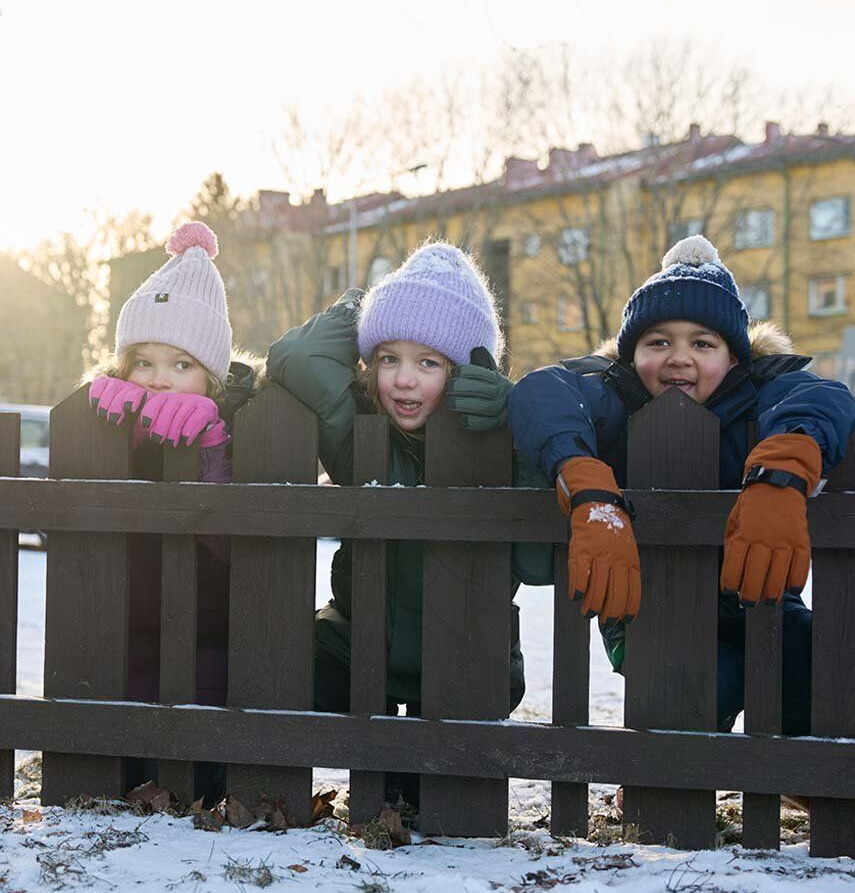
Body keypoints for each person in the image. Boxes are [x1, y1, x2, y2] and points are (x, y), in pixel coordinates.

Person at [508, 234, 855, 736]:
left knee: (812, 653)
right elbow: (541, 392)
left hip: (758, 590)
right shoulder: (614, 394)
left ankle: (801, 774)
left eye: (702, 343)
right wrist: (585, 482)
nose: (679, 357)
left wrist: (781, 473)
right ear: (631, 355)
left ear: (735, 358)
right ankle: (661, 783)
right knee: (705, 678)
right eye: (658, 342)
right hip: (650, 601)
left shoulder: (759, 392)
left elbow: (821, 396)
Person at [267, 240, 550, 808]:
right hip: (357, 641)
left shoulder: (498, 438)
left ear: (463, 368)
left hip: (466, 654)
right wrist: (362, 307)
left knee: (439, 798)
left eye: (428, 363)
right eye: (388, 357)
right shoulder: (360, 431)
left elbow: (538, 562)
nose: (402, 380)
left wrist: (512, 426)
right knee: (298, 678)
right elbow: (295, 357)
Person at [88, 221, 263, 800]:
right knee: (126, 745)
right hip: (124, 626)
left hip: (211, 628)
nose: (159, 380)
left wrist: (213, 451)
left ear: (210, 375)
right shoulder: (104, 426)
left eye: (181, 365)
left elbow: (240, 543)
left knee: (197, 745)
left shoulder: (242, 428)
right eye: (144, 362)